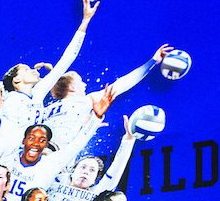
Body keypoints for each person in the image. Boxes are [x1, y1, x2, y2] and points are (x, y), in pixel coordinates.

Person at [0, 0, 99, 133]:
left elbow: (66, 60)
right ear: (16, 79)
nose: (34, 70)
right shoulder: (10, 101)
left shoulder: (37, 93)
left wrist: (85, 21)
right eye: (26, 70)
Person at [41, 45, 172, 148]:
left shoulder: (46, 110)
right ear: (72, 87)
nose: (85, 84)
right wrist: (152, 61)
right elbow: (122, 84)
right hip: (57, 156)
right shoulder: (84, 101)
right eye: (81, 81)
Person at [4, 85, 114, 201]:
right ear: (23, 140)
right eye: (32, 138)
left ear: (46, 144)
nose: (36, 143)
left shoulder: (50, 164)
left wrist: (96, 118)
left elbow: (76, 146)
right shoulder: (9, 155)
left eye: (42, 140)